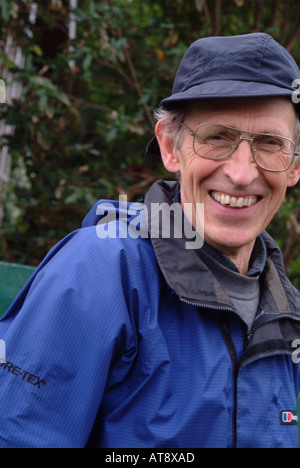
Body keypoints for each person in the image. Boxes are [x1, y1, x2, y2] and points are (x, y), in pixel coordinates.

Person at [0, 32, 300, 449]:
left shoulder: (286, 313)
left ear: (294, 166)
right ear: (170, 147)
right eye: (216, 137)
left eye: (270, 143)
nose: (242, 173)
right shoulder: (98, 272)